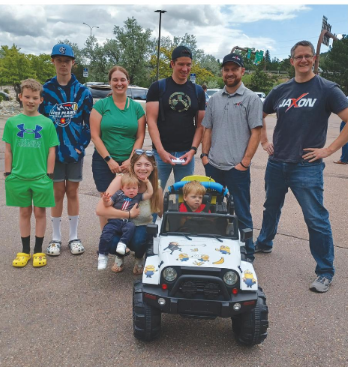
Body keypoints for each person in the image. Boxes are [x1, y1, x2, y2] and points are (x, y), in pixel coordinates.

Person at [257, 40, 348, 293]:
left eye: (308, 56)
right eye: (299, 56)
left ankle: (325, 271)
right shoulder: (281, 90)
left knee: (315, 218)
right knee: (270, 207)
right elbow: (259, 115)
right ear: (292, 60)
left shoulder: (327, 89)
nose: (304, 60)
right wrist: (264, 140)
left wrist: (329, 150)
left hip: (306, 167)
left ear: (314, 58)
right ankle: (264, 243)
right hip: (277, 163)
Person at [201, 53, 263, 263]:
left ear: (242, 71)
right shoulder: (215, 99)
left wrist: (244, 163)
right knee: (214, 210)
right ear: (222, 72)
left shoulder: (251, 99)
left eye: (234, 69)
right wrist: (204, 156)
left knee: (241, 212)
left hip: (237, 169)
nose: (229, 73)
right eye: (226, 69)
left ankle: (248, 255)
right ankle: (217, 250)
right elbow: (207, 129)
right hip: (214, 166)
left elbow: (256, 132)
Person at [39, 43, 93, 256]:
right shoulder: (46, 90)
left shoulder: (82, 92)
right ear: (53, 61)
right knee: (56, 192)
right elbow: (39, 122)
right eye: (59, 61)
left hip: (74, 152)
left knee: (72, 191)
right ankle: (55, 238)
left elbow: (89, 123)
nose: (63, 64)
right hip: (53, 152)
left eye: (67, 61)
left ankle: (73, 237)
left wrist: (81, 147)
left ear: (73, 63)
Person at [2, 79, 59, 268]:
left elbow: (52, 150)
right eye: (27, 97)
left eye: (35, 97)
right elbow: (8, 150)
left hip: (41, 176)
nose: (31, 101)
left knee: (40, 212)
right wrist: (8, 172)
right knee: (24, 211)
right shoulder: (12, 122)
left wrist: (49, 174)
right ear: (20, 97)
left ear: (41, 100)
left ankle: (39, 250)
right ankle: (25, 251)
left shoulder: (47, 123)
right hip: (19, 176)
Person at [90, 66, 146, 229]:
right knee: (106, 200)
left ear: (128, 82)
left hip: (129, 162)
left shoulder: (136, 108)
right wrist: (109, 160)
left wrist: (131, 160)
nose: (119, 83)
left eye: (122, 79)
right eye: (115, 80)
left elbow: (140, 136)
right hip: (104, 161)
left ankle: (124, 240)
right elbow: (95, 136)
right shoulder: (101, 105)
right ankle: (106, 240)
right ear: (110, 82)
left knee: (128, 200)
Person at [146, 45, 206, 190]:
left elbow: (200, 125)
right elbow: (151, 122)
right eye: (181, 64)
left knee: (185, 197)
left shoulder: (197, 91)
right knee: (154, 195)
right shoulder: (158, 87)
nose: (185, 69)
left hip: (186, 153)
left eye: (188, 65)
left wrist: (192, 150)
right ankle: (155, 215)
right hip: (160, 153)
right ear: (172, 64)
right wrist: (160, 150)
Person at [96, 150, 163, 274]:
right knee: (110, 241)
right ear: (132, 166)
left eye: (147, 165)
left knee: (139, 241)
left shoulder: (155, 188)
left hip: (141, 226)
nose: (142, 168)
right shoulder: (121, 180)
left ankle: (139, 257)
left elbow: (162, 214)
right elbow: (100, 210)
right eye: (138, 164)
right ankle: (119, 256)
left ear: (153, 167)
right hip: (119, 223)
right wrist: (128, 214)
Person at [97, 174, 153, 270]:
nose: (131, 190)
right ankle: (102, 255)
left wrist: (147, 182)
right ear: (122, 188)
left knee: (130, 227)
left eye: (134, 188)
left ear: (137, 189)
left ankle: (122, 244)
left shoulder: (138, 197)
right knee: (106, 233)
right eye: (128, 188)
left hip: (127, 222)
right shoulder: (118, 194)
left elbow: (150, 194)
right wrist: (105, 200)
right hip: (115, 220)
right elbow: (109, 203)